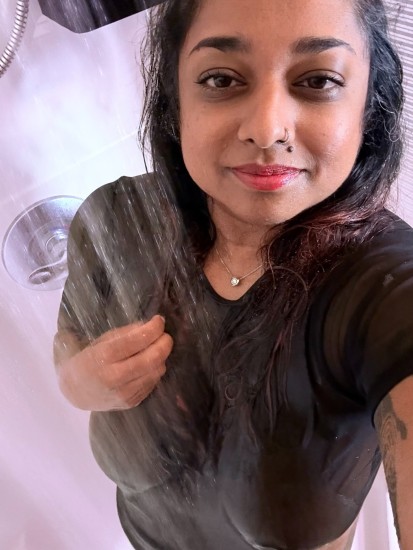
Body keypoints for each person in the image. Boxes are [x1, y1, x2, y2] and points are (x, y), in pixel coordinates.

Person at [53, 0, 413, 548]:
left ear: (369, 104)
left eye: (318, 80)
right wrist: (77, 382)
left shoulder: (381, 286)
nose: (266, 130)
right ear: (176, 100)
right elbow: (68, 342)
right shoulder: (115, 220)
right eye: (221, 79)